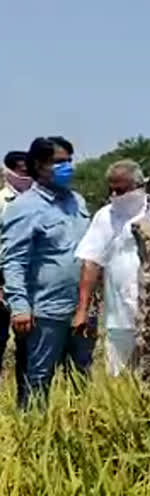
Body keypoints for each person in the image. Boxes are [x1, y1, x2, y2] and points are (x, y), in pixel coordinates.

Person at [2, 137, 93, 408]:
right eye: (59, 162)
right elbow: (13, 261)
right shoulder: (24, 207)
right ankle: (33, 439)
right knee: (38, 380)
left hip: (81, 309)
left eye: (69, 161)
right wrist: (19, 306)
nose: (67, 167)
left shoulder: (77, 201)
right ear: (40, 165)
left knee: (81, 381)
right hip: (44, 311)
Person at [73, 160, 150, 376]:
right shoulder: (105, 216)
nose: (114, 194)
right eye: (110, 189)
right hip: (120, 317)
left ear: (139, 185)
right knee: (120, 380)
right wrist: (83, 309)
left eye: (120, 189)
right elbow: (91, 262)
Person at [0, 151, 32, 375]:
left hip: (29, 285)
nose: (28, 176)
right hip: (2, 284)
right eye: (23, 171)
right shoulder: (1, 202)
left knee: (28, 348)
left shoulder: (38, 201)